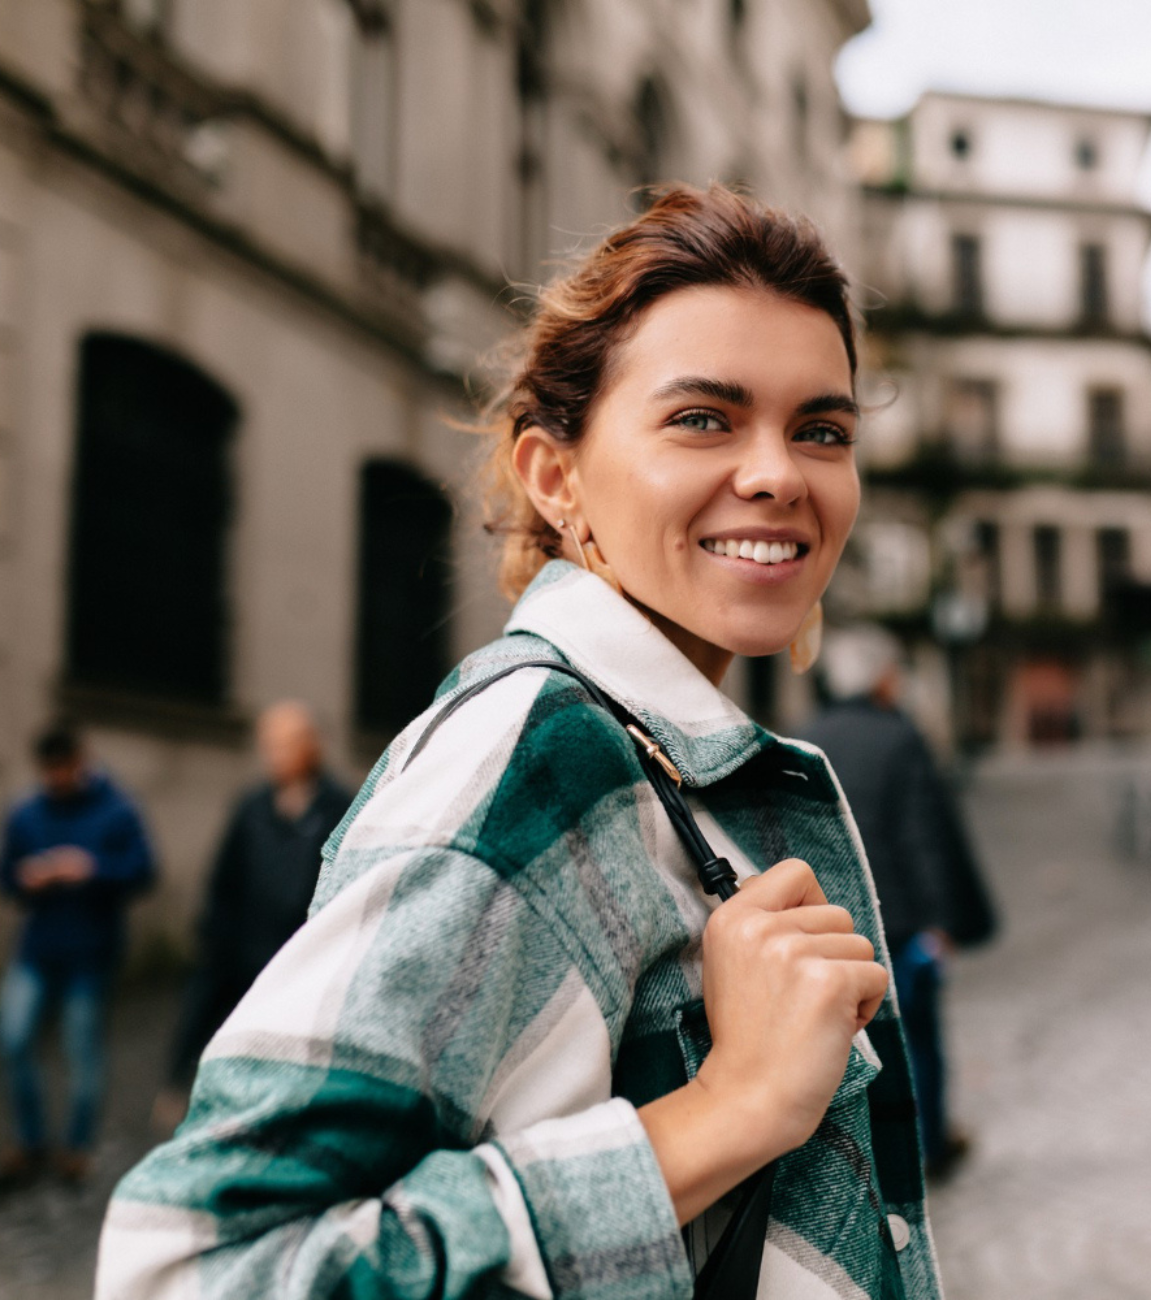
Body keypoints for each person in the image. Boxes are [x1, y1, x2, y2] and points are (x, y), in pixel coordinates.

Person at [98, 184, 944, 1300]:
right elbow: (194, 1268)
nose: (780, 474)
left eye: (820, 429)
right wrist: (723, 1111)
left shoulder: (670, 762)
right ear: (558, 476)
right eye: (704, 418)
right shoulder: (538, 756)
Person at [801, 626, 997, 1181]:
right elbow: (924, 837)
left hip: (833, 924)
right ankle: (927, 1144)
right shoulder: (899, 737)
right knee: (919, 1041)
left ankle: (865, 1154)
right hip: (903, 924)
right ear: (882, 680)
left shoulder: (805, 737)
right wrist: (941, 923)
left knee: (846, 1043)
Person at [152, 701, 352, 1132]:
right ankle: (183, 1090)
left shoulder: (339, 807)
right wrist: (215, 936)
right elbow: (225, 876)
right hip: (242, 949)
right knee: (209, 1019)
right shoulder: (253, 807)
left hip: (301, 958)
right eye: (269, 746)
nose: (274, 756)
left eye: (284, 745)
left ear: (310, 747)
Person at [0, 723, 156, 1192]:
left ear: (79, 762)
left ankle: (76, 1148)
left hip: (91, 954)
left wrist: (93, 868)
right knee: (13, 1039)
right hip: (37, 949)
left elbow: (144, 870)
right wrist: (26, 877)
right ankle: (30, 1139)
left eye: (62, 769)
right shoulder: (26, 813)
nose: (55, 779)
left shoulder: (117, 809)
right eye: (48, 771)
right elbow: (2, 876)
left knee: (82, 1051)